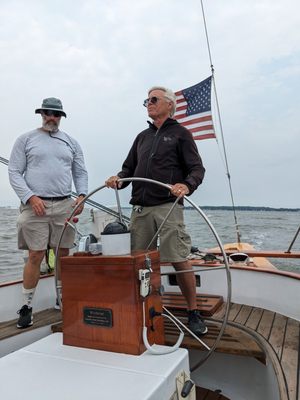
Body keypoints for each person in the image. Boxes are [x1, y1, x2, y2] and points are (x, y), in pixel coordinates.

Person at [106, 86, 207, 336]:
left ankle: (193, 312)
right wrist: (119, 178)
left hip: (167, 206)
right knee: (140, 261)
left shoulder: (182, 134)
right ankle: (143, 307)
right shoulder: (142, 137)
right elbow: (128, 168)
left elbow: (197, 169)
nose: (148, 103)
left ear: (169, 105)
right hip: (140, 209)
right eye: (146, 100)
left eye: (154, 99)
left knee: (178, 258)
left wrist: (187, 184)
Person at [8, 97, 88, 329]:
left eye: (56, 114)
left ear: (61, 117)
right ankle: (26, 306)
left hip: (64, 204)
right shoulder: (26, 139)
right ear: (41, 113)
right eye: (48, 113)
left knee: (63, 253)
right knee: (35, 254)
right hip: (35, 205)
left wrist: (82, 195)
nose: (52, 117)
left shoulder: (71, 143)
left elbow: (80, 171)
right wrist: (30, 197)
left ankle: (61, 298)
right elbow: (14, 172)